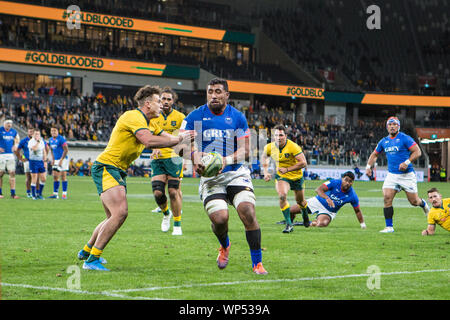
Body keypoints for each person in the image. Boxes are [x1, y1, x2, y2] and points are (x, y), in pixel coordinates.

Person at [77, 85, 194, 271]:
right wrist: (179, 139)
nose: (161, 105)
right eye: (158, 101)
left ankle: (87, 251)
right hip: (107, 166)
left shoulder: (151, 122)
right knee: (120, 213)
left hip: (116, 169)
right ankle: (92, 260)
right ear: (148, 104)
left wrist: (193, 149)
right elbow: (148, 141)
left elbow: (171, 142)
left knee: (112, 216)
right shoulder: (133, 116)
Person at [180, 78, 267, 275]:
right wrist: (194, 157)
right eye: (210, 91)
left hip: (235, 173)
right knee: (220, 219)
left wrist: (223, 161)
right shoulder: (195, 116)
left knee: (248, 211)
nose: (214, 95)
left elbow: (246, 150)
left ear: (227, 95)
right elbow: (180, 145)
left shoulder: (237, 117)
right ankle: (225, 245)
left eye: (218, 91)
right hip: (211, 178)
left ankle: (257, 263)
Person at [366, 117, 429, 233]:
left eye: (395, 124)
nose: (392, 126)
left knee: (414, 202)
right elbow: (374, 154)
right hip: (392, 175)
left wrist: (407, 162)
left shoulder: (405, 138)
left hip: (407, 175)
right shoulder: (384, 141)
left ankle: (423, 204)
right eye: (390, 124)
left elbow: (417, 151)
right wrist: (368, 167)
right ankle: (389, 227)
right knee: (387, 198)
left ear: (398, 127)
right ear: (387, 127)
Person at [149, 87, 185, 235]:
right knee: (158, 193)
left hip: (174, 158)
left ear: (173, 101)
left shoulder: (181, 117)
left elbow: (184, 138)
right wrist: (154, 148)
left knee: (173, 191)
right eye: (163, 98)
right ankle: (166, 214)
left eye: (169, 99)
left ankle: (177, 225)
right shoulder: (153, 117)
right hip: (158, 158)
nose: (165, 101)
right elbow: (149, 136)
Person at [261, 124, 309, 233]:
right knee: (282, 196)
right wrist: (265, 172)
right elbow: (264, 157)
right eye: (276, 135)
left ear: (285, 136)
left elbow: (303, 163)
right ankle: (289, 224)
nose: (278, 138)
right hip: (282, 176)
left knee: (300, 201)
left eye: (281, 135)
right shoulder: (269, 147)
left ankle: (305, 215)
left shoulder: (293, 147)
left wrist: (287, 169)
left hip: (296, 177)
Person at [289, 171, 366, 228]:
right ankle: (289, 223)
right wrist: (327, 198)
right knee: (290, 210)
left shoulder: (352, 195)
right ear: (342, 179)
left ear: (352, 183)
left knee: (322, 224)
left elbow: (357, 211)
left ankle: (305, 223)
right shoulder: (334, 182)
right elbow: (318, 189)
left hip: (329, 211)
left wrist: (362, 224)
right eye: (346, 180)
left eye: (350, 181)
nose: (347, 183)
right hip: (317, 201)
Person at [0, 120, 20, 199]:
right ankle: (0, 193)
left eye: (11, 123)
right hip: (1, 155)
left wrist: (15, 145)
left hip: (10, 155)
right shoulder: (0, 130)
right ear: (4, 124)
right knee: (1, 173)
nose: (9, 125)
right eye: (8, 123)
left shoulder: (14, 132)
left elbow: (17, 139)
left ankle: (13, 194)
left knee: (12, 172)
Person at [48, 126, 69, 199]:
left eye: (55, 131)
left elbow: (66, 150)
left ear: (58, 131)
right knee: (55, 176)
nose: (53, 132)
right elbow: (51, 150)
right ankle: (55, 194)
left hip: (63, 159)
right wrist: (53, 159)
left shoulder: (61, 139)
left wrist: (61, 160)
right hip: (56, 160)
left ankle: (64, 194)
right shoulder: (50, 139)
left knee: (63, 176)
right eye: (52, 131)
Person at [15, 127, 35, 198]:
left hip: (35, 161)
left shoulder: (37, 140)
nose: (31, 133)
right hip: (27, 161)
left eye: (32, 132)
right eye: (30, 131)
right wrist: (21, 158)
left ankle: (34, 192)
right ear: (28, 132)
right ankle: (28, 192)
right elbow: (17, 150)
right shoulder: (23, 141)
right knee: (28, 177)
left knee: (35, 177)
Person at [28, 129, 47, 200]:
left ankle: (39, 194)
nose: (37, 135)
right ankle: (33, 195)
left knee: (43, 179)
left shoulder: (42, 142)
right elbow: (34, 149)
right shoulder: (31, 142)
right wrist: (38, 142)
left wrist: (45, 161)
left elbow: (44, 151)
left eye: (38, 134)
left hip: (40, 162)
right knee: (34, 179)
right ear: (33, 135)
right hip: (33, 161)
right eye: (35, 134)